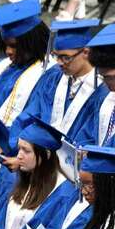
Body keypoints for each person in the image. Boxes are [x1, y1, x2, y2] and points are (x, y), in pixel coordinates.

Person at [0, 118, 76, 229]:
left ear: (47, 154)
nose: (18, 156)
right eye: (19, 149)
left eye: (26, 150)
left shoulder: (63, 194)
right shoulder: (20, 179)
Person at [16, 19, 102, 151]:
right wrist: (20, 142)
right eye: (56, 56)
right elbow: (32, 112)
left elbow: (93, 137)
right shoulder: (53, 77)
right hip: (38, 154)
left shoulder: (101, 90)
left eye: (66, 57)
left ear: (86, 52)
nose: (60, 63)